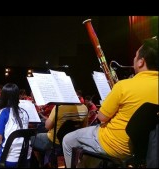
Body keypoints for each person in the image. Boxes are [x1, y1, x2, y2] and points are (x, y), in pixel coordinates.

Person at [62, 37, 158, 168]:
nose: (134, 59)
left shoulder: (124, 85)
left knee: (68, 140)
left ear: (141, 62)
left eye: (136, 56)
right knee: (89, 155)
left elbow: (102, 117)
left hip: (116, 144)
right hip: (145, 148)